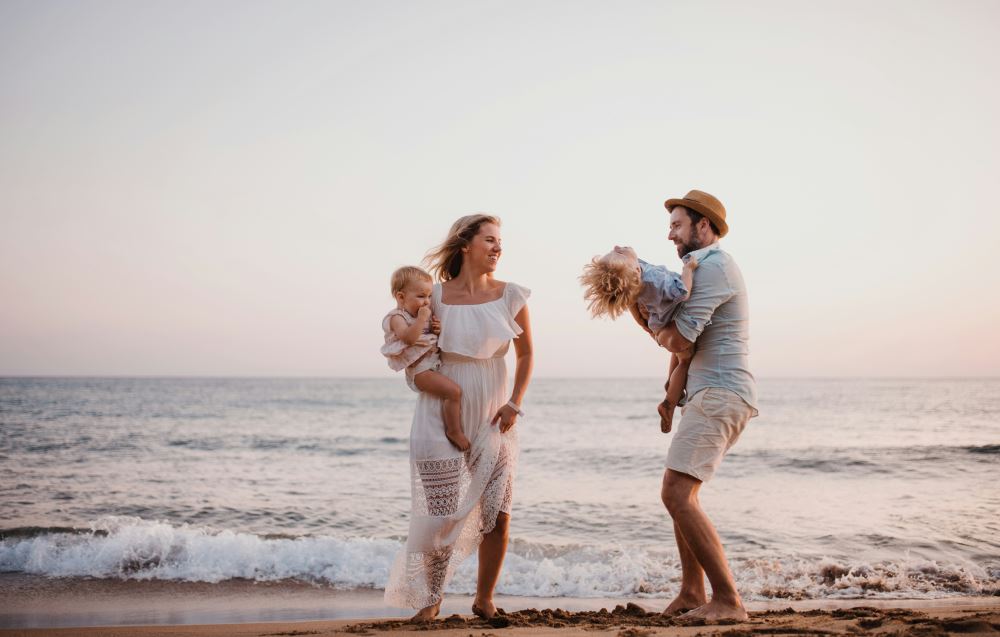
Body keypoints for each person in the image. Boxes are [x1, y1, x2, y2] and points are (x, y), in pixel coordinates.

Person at [384, 214, 533, 623]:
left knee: (497, 512)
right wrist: (419, 375)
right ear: (465, 245)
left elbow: (527, 355)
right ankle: (431, 600)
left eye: (500, 240)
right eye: (489, 239)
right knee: (438, 515)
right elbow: (403, 340)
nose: (498, 247)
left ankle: (485, 599)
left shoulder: (512, 295)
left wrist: (514, 403)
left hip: (493, 411)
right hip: (440, 411)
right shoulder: (432, 295)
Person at [635, 190, 758, 622]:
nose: (669, 235)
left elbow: (681, 340)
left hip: (721, 392)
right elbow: (685, 347)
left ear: (702, 226)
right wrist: (670, 396)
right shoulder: (700, 269)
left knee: (675, 493)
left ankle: (728, 600)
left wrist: (645, 322)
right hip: (707, 393)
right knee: (682, 495)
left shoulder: (713, 267)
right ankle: (691, 590)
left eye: (677, 226)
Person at [579, 246, 699, 431]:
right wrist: (688, 269)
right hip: (671, 321)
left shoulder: (632, 278)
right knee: (685, 359)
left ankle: (671, 383)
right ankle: (668, 404)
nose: (617, 247)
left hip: (659, 324)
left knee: (676, 356)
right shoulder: (653, 281)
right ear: (635, 270)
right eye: (619, 253)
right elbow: (683, 292)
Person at [381, 266, 470, 451]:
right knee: (454, 392)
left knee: (455, 392)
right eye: (421, 296)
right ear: (401, 297)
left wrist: (435, 327)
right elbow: (409, 338)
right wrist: (422, 320)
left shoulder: (421, 315)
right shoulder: (396, 317)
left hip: (432, 364)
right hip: (419, 371)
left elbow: (429, 336)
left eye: (429, 296)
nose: (427, 302)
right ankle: (454, 431)